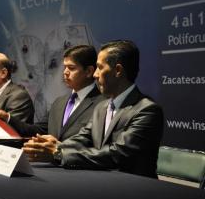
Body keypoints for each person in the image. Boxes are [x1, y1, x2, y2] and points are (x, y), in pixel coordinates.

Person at [23, 40, 164, 178]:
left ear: (118, 70)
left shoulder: (147, 110)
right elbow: (83, 138)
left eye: (100, 67)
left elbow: (117, 154)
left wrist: (58, 153)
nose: (95, 74)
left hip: (135, 191)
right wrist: (51, 146)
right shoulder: (102, 107)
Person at [0, 45, 104, 139]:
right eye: (65, 67)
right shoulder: (59, 103)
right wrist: (8, 119)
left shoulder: (103, 104)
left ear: (89, 71)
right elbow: (38, 130)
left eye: (71, 68)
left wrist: (58, 149)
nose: (65, 72)